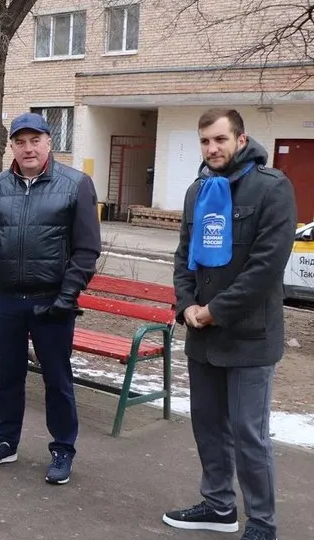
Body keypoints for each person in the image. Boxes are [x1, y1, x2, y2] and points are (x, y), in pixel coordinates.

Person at [163, 109, 296, 540]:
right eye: (204, 141)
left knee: (247, 434)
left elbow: (265, 268)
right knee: (207, 424)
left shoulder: (272, 188)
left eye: (220, 139)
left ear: (241, 139)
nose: (211, 149)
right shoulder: (198, 191)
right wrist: (186, 304)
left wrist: (215, 310)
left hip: (248, 337)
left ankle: (261, 523)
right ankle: (219, 505)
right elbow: (185, 257)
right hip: (202, 337)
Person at [0, 112, 101, 485]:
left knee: (57, 380)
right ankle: (5, 441)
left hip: (52, 302)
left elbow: (87, 248)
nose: (28, 148)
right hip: (9, 301)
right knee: (8, 377)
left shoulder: (76, 184)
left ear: (48, 143)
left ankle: (62, 448)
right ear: (11, 145)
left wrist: (68, 295)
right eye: (20, 141)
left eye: (35, 141)